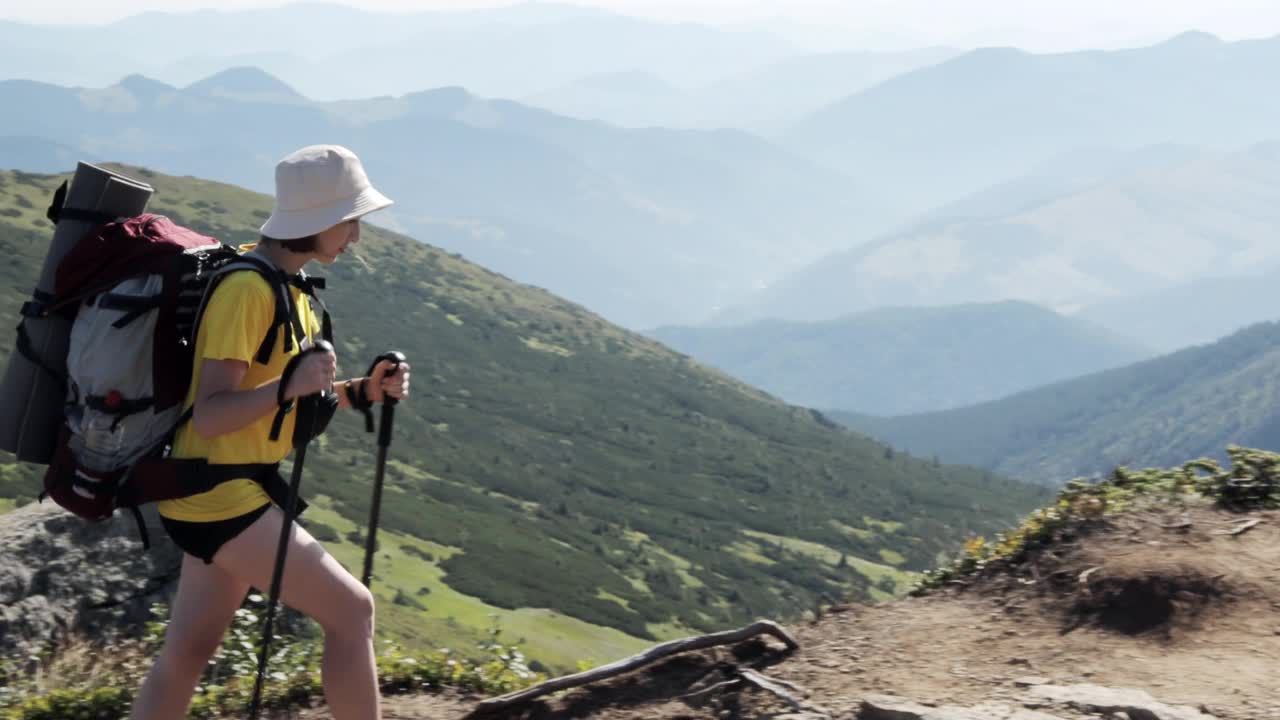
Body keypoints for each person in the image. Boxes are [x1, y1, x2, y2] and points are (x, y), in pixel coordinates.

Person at [129, 145, 410, 720]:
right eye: (351, 220)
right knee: (353, 612)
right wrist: (289, 384)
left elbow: (293, 395)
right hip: (219, 495)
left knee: (186, 653)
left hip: (219, 489)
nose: (355, 236)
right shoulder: (247, 292)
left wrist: (364, 391)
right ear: (319, 221)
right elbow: (211, 413)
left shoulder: (292, 287)